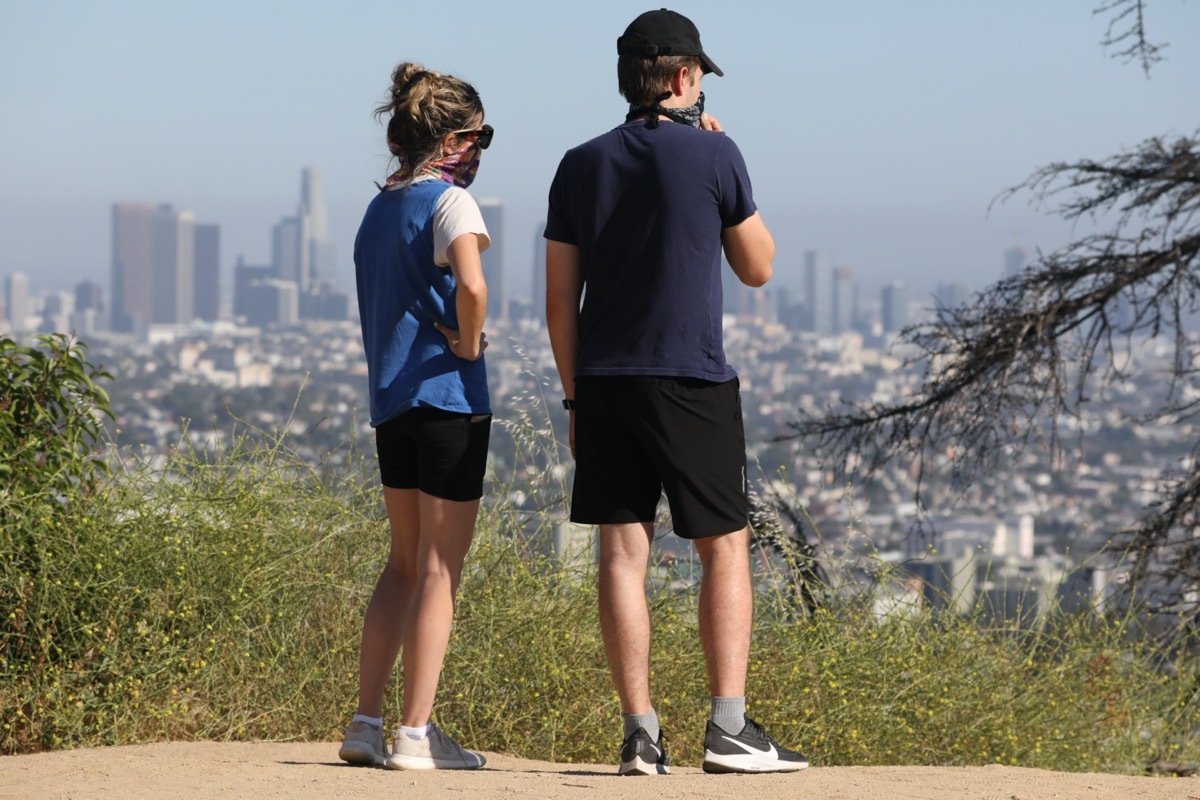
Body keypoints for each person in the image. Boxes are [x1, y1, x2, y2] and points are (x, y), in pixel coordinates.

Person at [544, 9, 809, 776]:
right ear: (687, 77)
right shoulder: (715, 153)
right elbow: (758, 266)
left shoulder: (578, 163)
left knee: (621, 553)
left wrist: (573, 400)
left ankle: (640, 736)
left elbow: (562, 301)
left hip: (601, 382)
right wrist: (717, 157)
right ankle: (728, 730)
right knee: (723, 548)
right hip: (690, 376)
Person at [339, 61, 494, 772]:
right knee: (439, 571)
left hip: (392, 407)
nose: (481, 150)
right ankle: (416, 734)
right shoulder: (450, 204)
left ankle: (365, 724)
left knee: (402, 564)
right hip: (450, 403)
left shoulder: (377, 211)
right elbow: (473, 284)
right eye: (480, 136)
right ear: (453, 136)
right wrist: (467, 340)